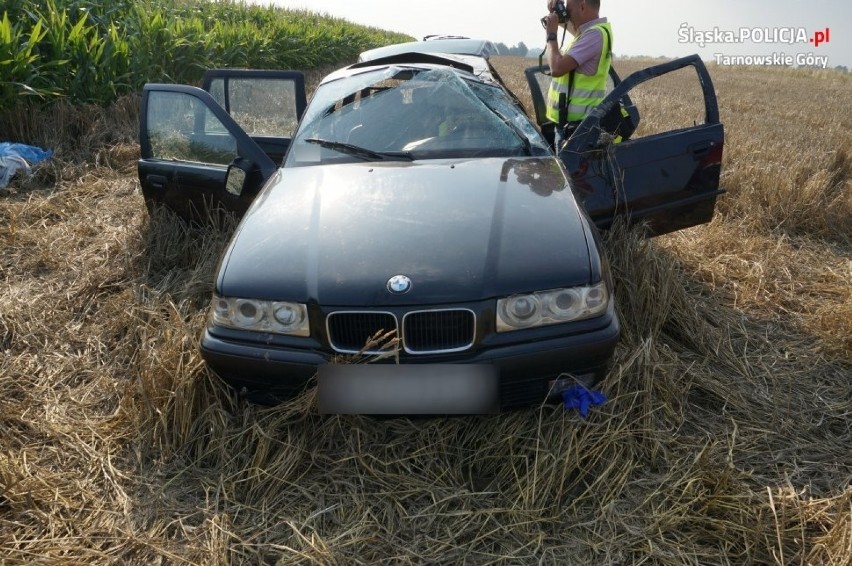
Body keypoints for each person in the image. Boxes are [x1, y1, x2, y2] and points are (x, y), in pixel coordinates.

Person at [542, 0, 613, 150]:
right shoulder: (593, 32)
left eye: (569, 10)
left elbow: (556, 68)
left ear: (582, 6)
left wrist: (551, 36)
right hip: (573, 126)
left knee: (567, 174)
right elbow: (574, 29)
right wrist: (559, 16)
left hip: (577, 130)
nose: (567, 14)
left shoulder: (595, 35)